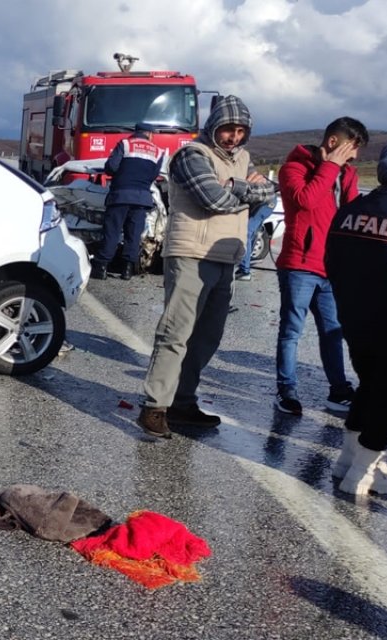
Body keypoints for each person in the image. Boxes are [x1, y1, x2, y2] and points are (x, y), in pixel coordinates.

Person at [136, 95, 277, 438]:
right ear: (214, 126)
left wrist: (238, 187)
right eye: (229, 129)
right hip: (190, 253)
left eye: (241, 130)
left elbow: (270, 192)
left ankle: (182, 403)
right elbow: (212, 198)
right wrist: (246, 190)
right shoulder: (190, 155)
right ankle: (154, 407)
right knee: (176, 333)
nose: (234, 137)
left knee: (207, 337)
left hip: (225, 257)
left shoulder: (242, 158)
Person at [324, 136, 387, 497]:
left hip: (355, 319)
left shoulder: (353, 208)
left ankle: (347, 458)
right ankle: (364, 470)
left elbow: (331, 261)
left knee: (368, 386)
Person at [272, 117, 367, 416]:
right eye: (353, 149)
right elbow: (306, 200)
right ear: (334, 142)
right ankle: (286, 390)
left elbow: (350, 216)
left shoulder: (347, 174)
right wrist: (330, 168)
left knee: (333, 331)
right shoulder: (294, 168)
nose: (355, 157)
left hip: (331, 268)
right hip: (299, 263)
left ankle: (338, 391)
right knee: (291, 330)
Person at [91, 122, 165, 281]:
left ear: (136, 132)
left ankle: (101, 267)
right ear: (150, 134)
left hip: (120, 196)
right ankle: (127, 270)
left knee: (112, 232)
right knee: (133, 235)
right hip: (141, 199)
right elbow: (154, 175)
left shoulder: (125, 144)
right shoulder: (157, 152)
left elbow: (111, 167)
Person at [236, 198, 275, 281]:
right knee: (250, 234)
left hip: (265, 201)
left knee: (246, 233)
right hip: (265, 201)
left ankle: (244, 271)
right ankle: (244, 268)